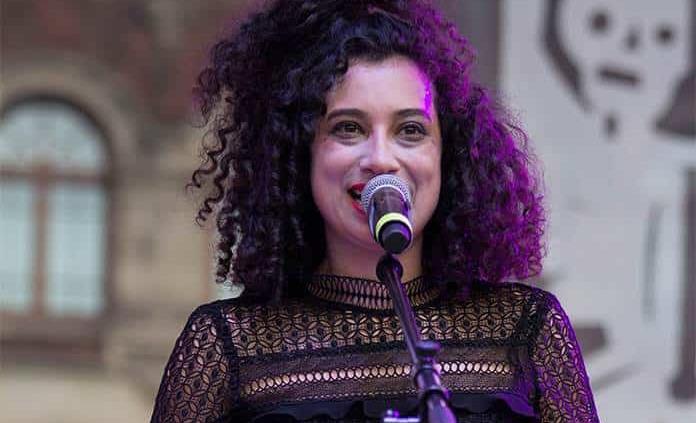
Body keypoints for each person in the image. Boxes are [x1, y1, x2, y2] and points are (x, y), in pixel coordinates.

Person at [150, 0, 599, 421]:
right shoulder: (227, 345)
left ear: (448, 155)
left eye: (410, 130)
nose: (381, 159)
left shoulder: (525, 330)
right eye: (348, 128)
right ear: (301, 156)